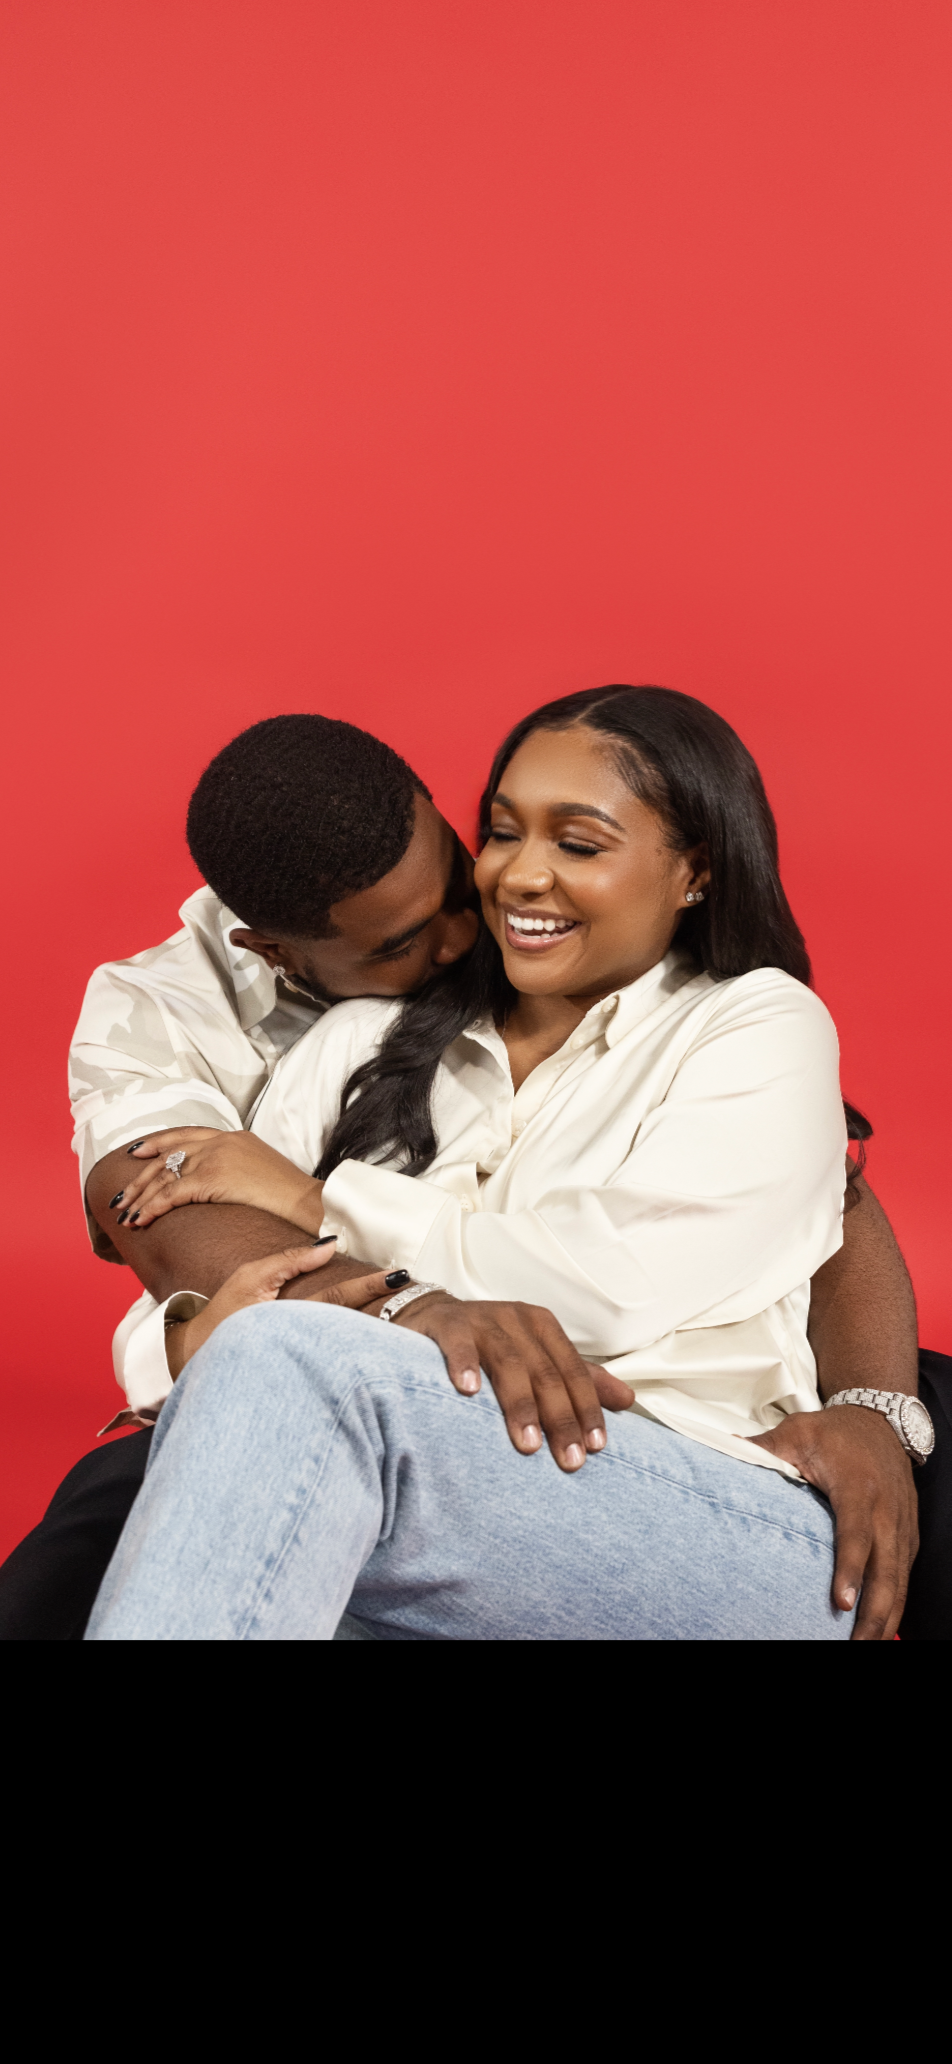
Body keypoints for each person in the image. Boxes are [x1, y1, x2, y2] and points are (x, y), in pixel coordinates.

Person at [0, 700, 945, 1638]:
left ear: (695, 870)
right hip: (423, 1487)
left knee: (282, 1376)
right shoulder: (310, 1033)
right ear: (281, 954)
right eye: (504, 834)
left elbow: (635, 1277)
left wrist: (318, 1207)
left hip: (687, 1491)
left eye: (575, 844)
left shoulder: (750, 1024)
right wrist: (213, 1341)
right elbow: (184, 1273)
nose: (504, 893)